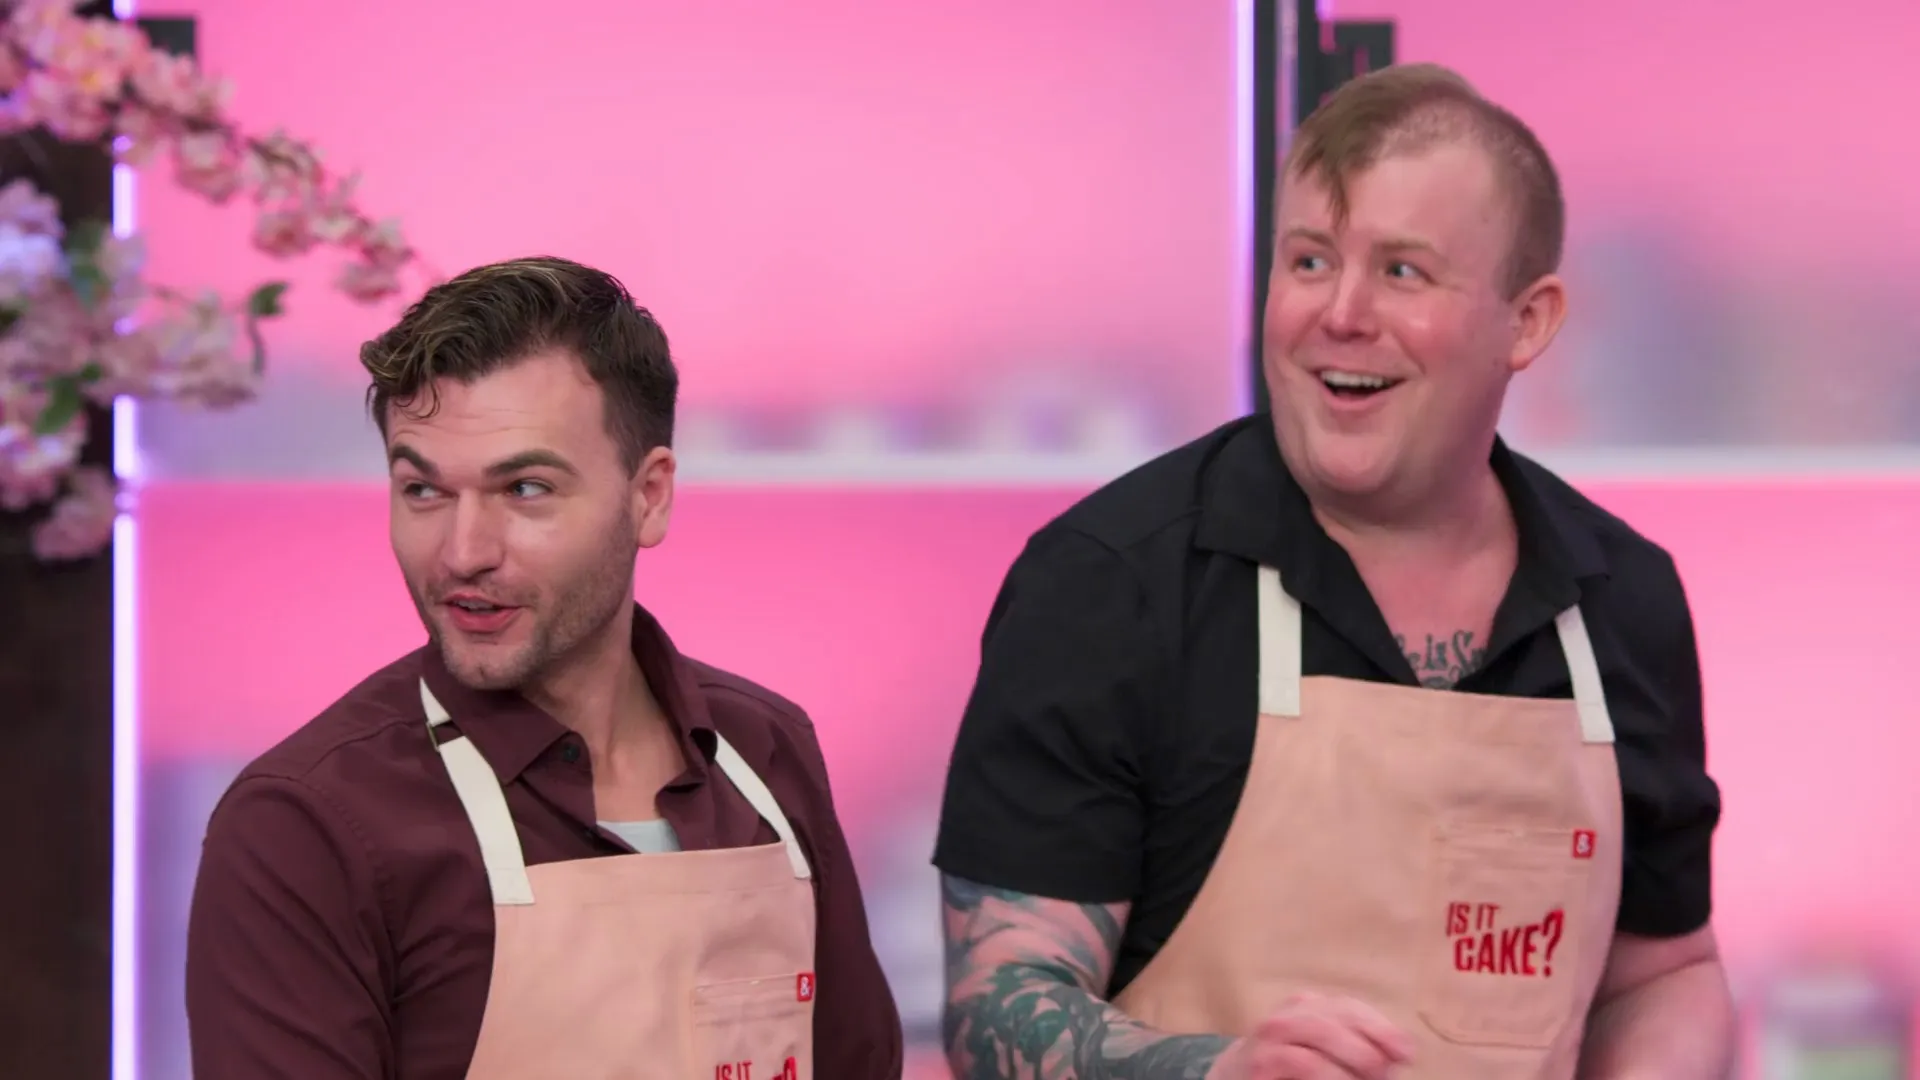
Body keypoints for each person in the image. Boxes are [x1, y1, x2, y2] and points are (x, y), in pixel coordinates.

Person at [933, 64, 1733, 1080]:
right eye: (1310, 261)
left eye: (1402, 271)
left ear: (1527, 322)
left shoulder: (1622, 601)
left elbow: (1662, 974)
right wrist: (1218, 1072)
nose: (1342, 313)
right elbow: (998, 1008)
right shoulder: (1107, 585)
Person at [186, 256, 903, 1079]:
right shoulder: (305, 827)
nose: (463, 552)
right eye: (423, 490)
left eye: (524, 489)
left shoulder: (765, 748)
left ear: (649, 496)